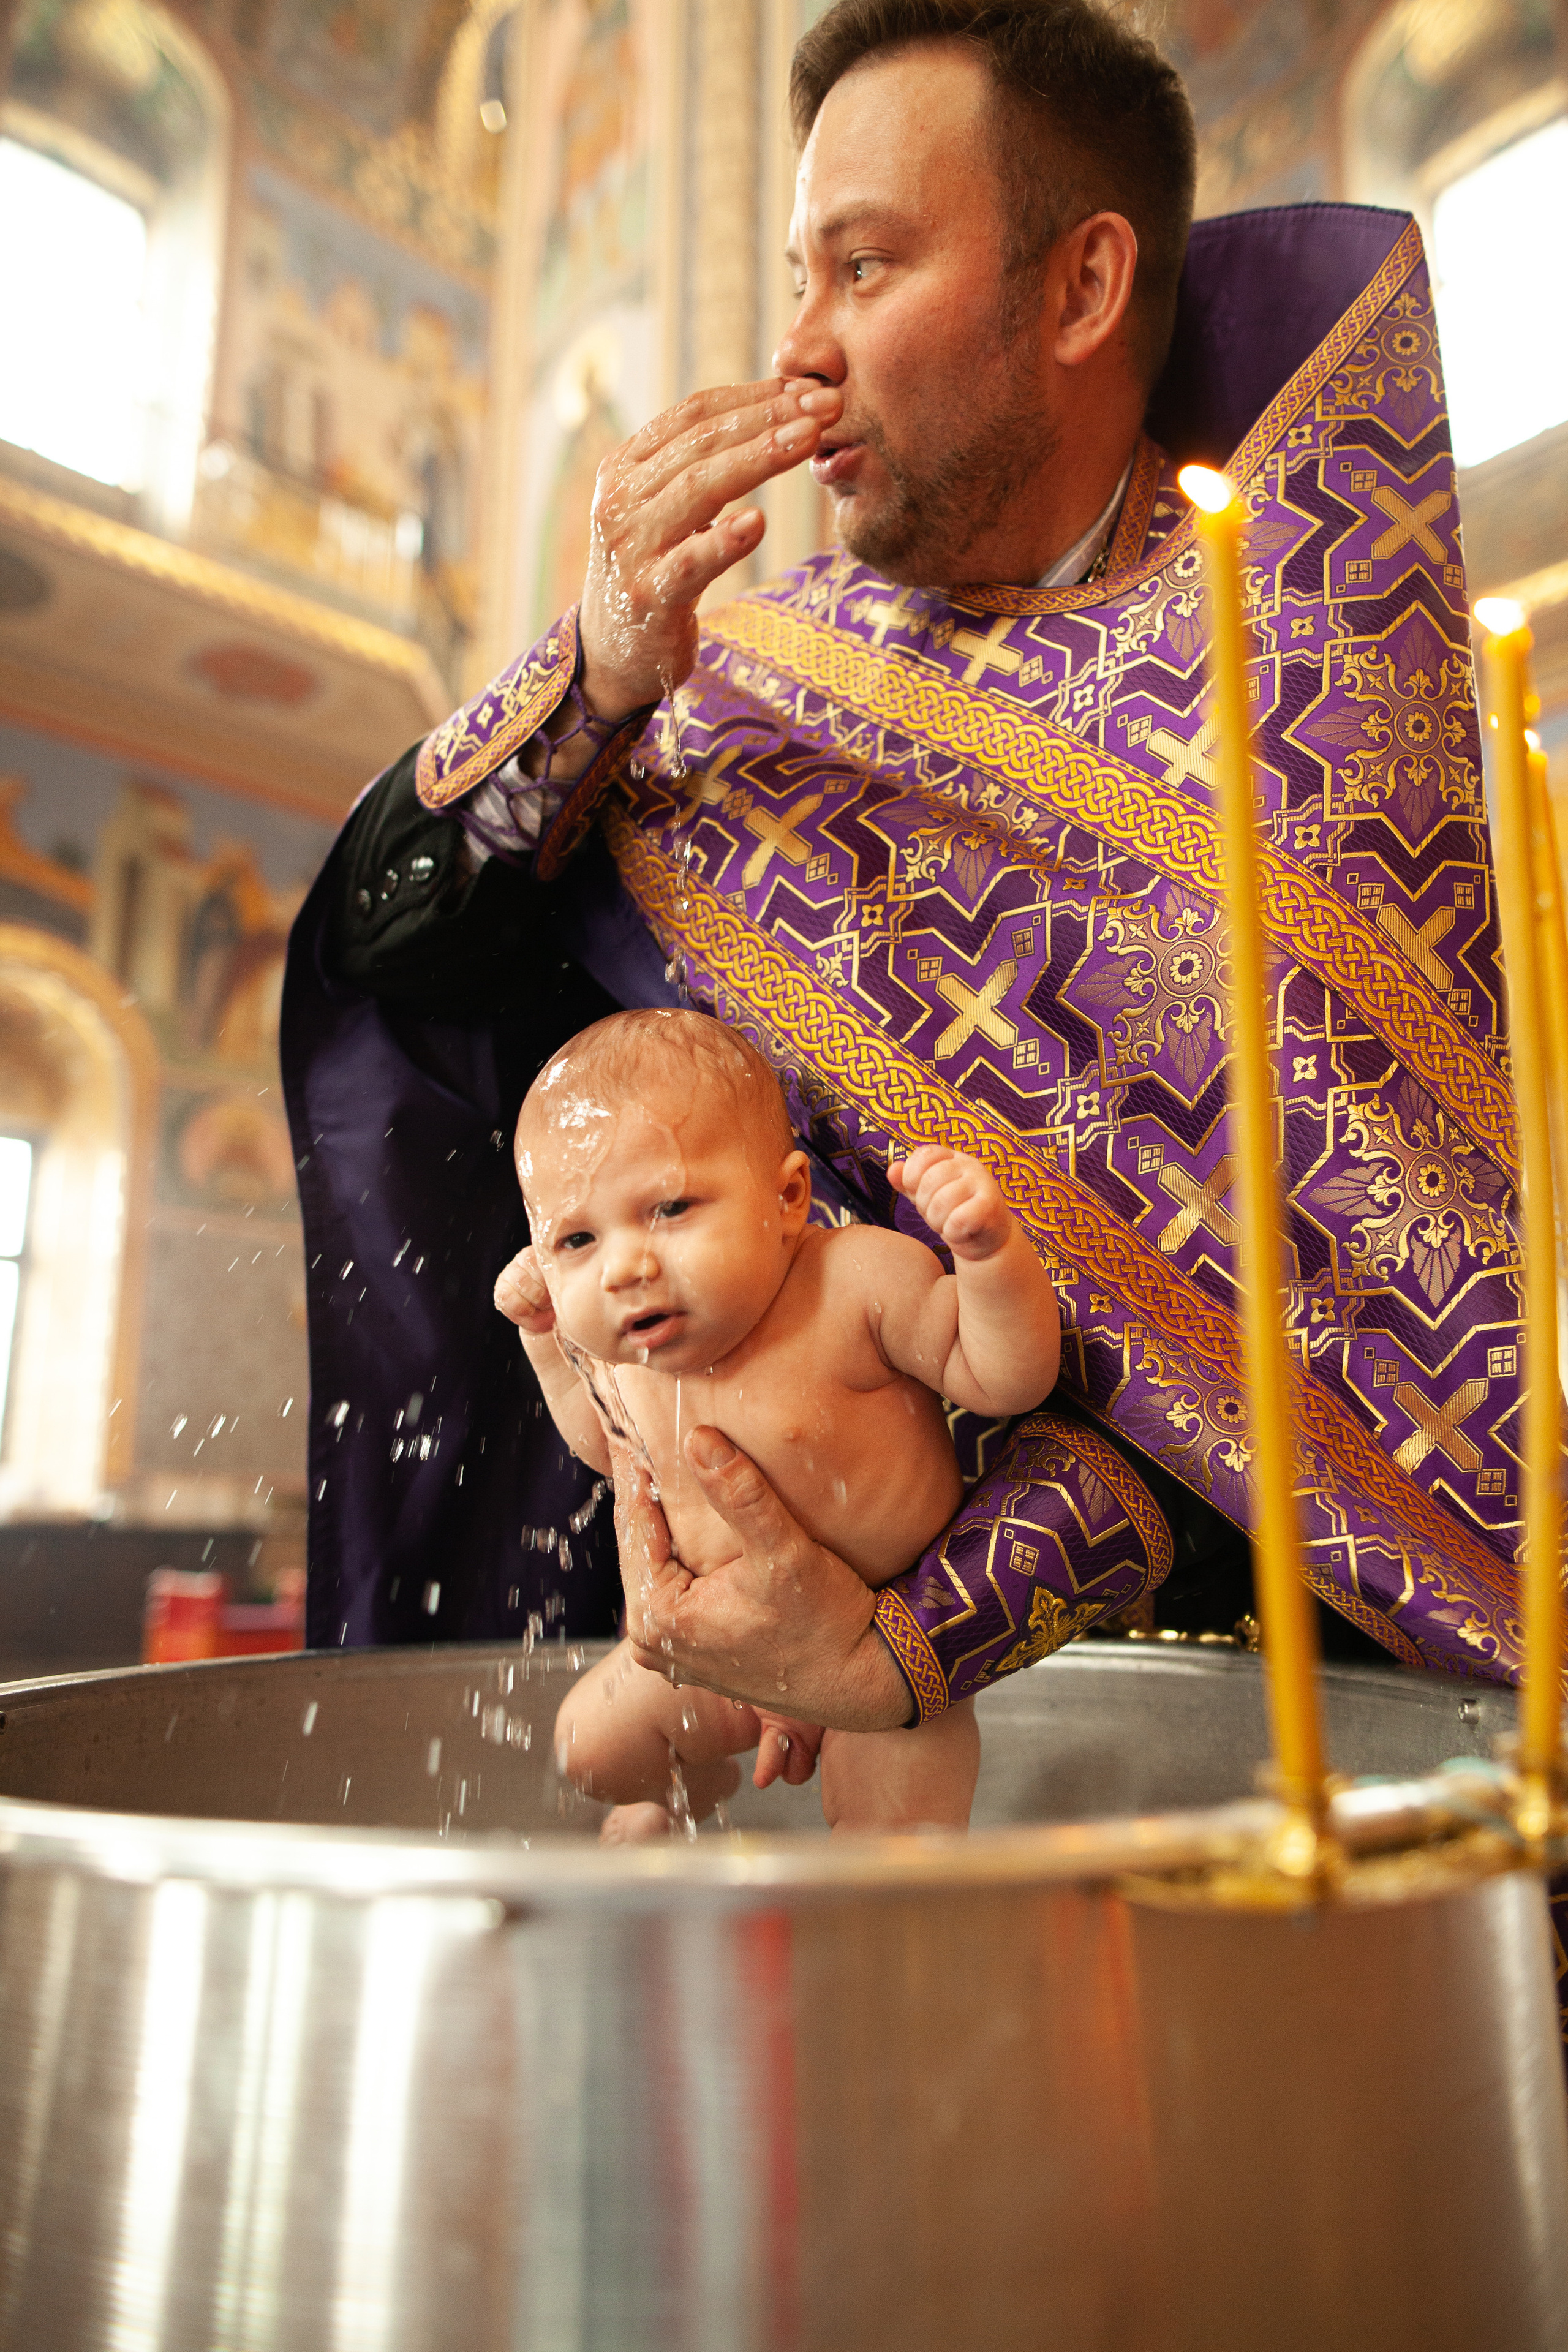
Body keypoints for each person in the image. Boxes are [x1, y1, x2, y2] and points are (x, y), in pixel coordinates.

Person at [284, 0, 1526, 1746]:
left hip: (1296, 1726)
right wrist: (596, 677)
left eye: (862, 268)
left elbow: (1280, 1383)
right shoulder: (732, 699)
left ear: (1082, 288)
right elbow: (389, 968)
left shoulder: (1311, 673)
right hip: (801, 1751)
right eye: (797, 277)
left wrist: (911, 1638)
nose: (799, 349)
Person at [494, 1006, 1060, 1836]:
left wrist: (989, 1257)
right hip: (730, 1651)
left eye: (670, 1208)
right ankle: (678, 1804)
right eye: (576, 1239)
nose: (623, 1268)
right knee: (588, 1748)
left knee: (893, 1853)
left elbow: (1004, 1378)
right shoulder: (632, 1354)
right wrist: (547, 1344)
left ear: (788, 1197)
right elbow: (607, 1452)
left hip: (888, 1650)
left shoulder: (855, 1284)